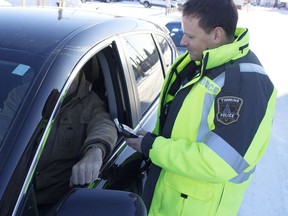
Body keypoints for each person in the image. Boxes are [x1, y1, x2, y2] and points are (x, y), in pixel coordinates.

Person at [126, 0, 277, 215]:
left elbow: (218, 162)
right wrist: (151, 140)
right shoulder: (196, 63)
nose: (182, 40)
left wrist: (152, 147)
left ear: (216, 35)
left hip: (197, 207)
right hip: (169, 196)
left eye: (191, 36)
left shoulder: (245, 85)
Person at [35, 61, 118, 213]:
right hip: (14, 191)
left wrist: (94, 152)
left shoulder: (91, 102)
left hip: (57, 202)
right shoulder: (23, 94)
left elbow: (104, 125)